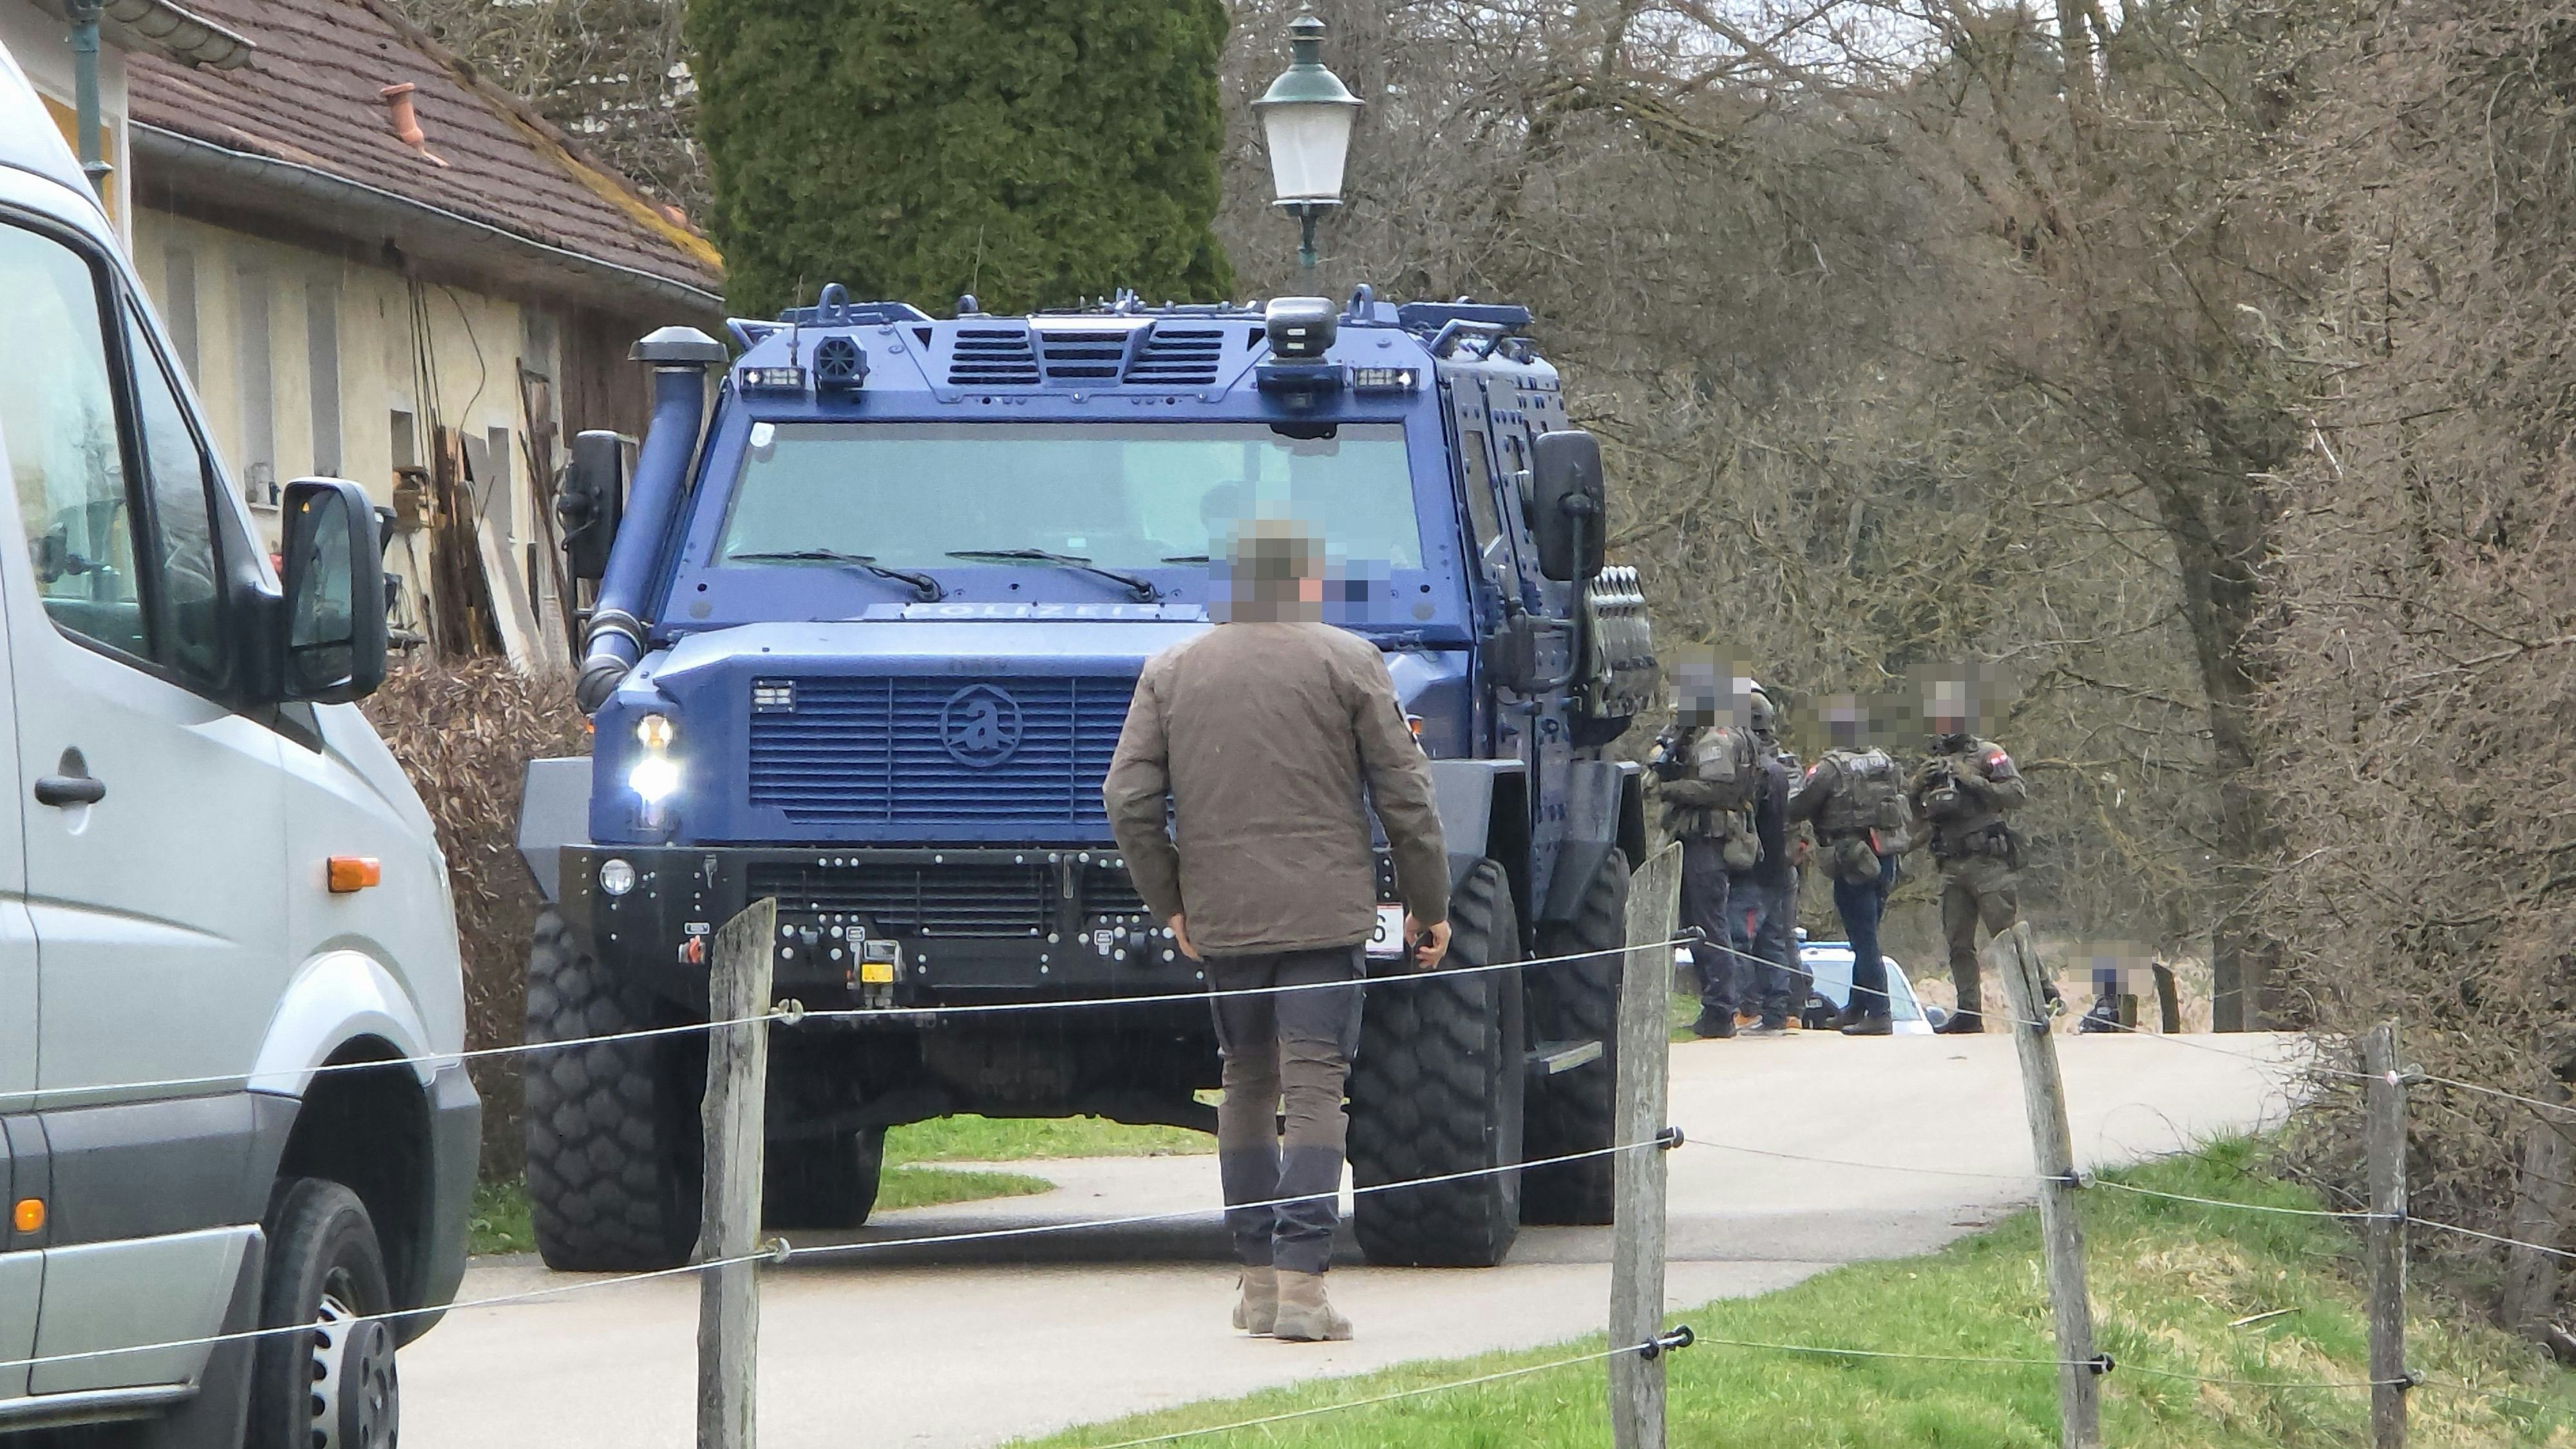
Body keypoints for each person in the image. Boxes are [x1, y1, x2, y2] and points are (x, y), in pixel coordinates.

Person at [1103, 520, 1450, 1344]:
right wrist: (1428, 902)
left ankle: (1257, 1283)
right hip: (1326, 913)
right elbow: (1405, 794)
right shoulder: (1349, 659)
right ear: (1305, 581)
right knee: (1316, 1087)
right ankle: (1303, 1284)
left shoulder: (1171, 670)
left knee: (1247, 1085)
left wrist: (1171, 900)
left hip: (1223, 916)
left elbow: (1127, 798)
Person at [1649, 659, 1765, 1038]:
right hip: (1695, 841)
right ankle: (1714, 1006)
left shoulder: (1719, 736)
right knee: (1697, 926)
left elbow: (1719, 790)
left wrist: (1669, 788)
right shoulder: (1701, 733)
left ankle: (1720, 1009)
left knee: (1710, 926)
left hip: (1708, 843)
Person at [1907, 676, 2027, 1034]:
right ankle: (1969, 1011)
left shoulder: (1988, 753)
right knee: (1958, 942)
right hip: (1950, 862)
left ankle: (2039, 997)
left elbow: (2016, 794)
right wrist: (1915, 789)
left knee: (2007, 935)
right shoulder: (1933, 764)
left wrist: (1972, 780)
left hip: (1987, 860)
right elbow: (1915, 823)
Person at [1789, 694, 1911, 1035]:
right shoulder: (1884, 761)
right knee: (1866, 933)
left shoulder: (1830, 768)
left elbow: (1799, 806)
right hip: (1885, 853)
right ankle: (1858, 1006)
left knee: (1864, 938)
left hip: (1852, 857)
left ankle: (1880, 1012)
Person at [1728, 683, 1803, 1037]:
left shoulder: (1754, 767)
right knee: (1776, 940)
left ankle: (1747, 1008)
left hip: (1756, 869)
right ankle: (1780, 1011)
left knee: (1741, 939)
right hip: (1783, 867)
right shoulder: (1787, 764)